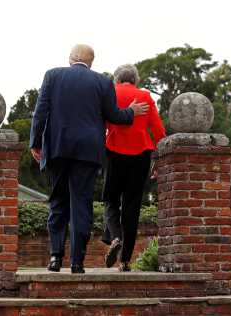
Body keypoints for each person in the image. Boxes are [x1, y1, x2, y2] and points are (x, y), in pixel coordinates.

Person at [30, 45, 149, 274]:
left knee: (58, 201)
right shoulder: (103, 82)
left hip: (58, 147)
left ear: (71, 58)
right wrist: (132, 111)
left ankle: (55, 257)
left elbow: (41, 111)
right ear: (91, 62)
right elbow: (115, 116)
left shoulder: (52, 76)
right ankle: (77, 262)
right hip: (88, 152)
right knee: (81, 204)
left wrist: (35, 143)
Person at [102, 64, 166, 271]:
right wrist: (160, 158)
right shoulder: (145, 97)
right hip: (141, 155)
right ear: (135, 80)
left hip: (114, 151)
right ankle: (125, 261)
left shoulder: (110, 92)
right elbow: (157, 129)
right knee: (132, 207)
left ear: (116, 79)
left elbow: (101, 122)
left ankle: (115, 237)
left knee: (111, 200)